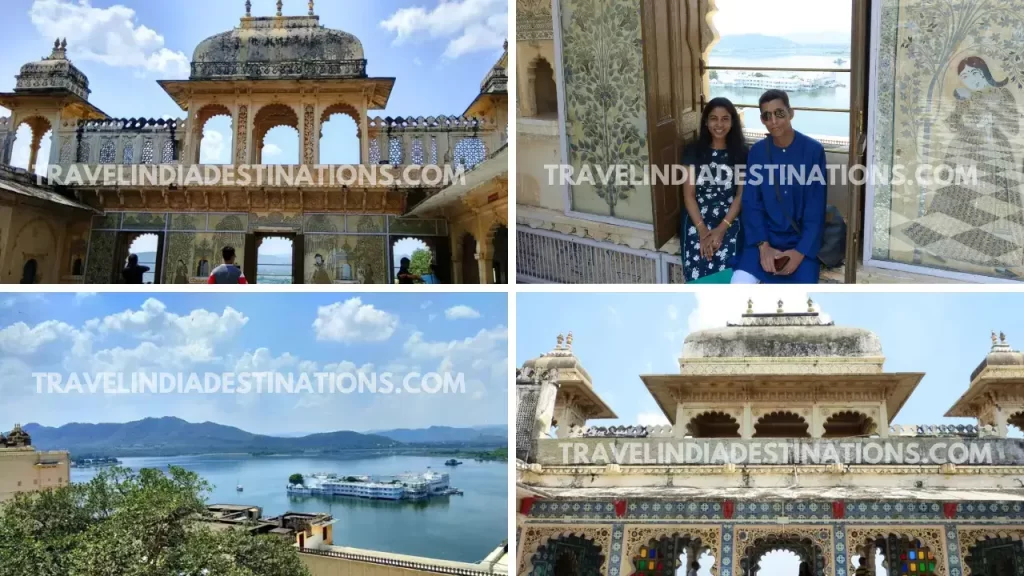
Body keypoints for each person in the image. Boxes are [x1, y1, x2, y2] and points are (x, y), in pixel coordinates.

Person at [732, 89, 827, 284]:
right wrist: (763, 246)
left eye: (779, 113)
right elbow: (751, 203)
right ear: (762, 120)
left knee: (797, 305)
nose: (773, 121)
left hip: (800, 243)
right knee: (738, 287)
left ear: (791, 113)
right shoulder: (758, 152)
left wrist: (800, 253)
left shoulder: (813, 151)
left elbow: (815, 208)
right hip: (763, 240)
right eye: (767, 116)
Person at [680, 96, 748, 282]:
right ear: (706, 122)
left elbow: (740, 195)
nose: (719, 124)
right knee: (699, 265)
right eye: (714, 118)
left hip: (729, 218)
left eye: (725, 118)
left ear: (733, 122)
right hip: (697, 218)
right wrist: (702, 230)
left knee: (727, 266)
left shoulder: (742, 153)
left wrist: (721, 229)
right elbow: (689, 196)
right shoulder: (693, 151)